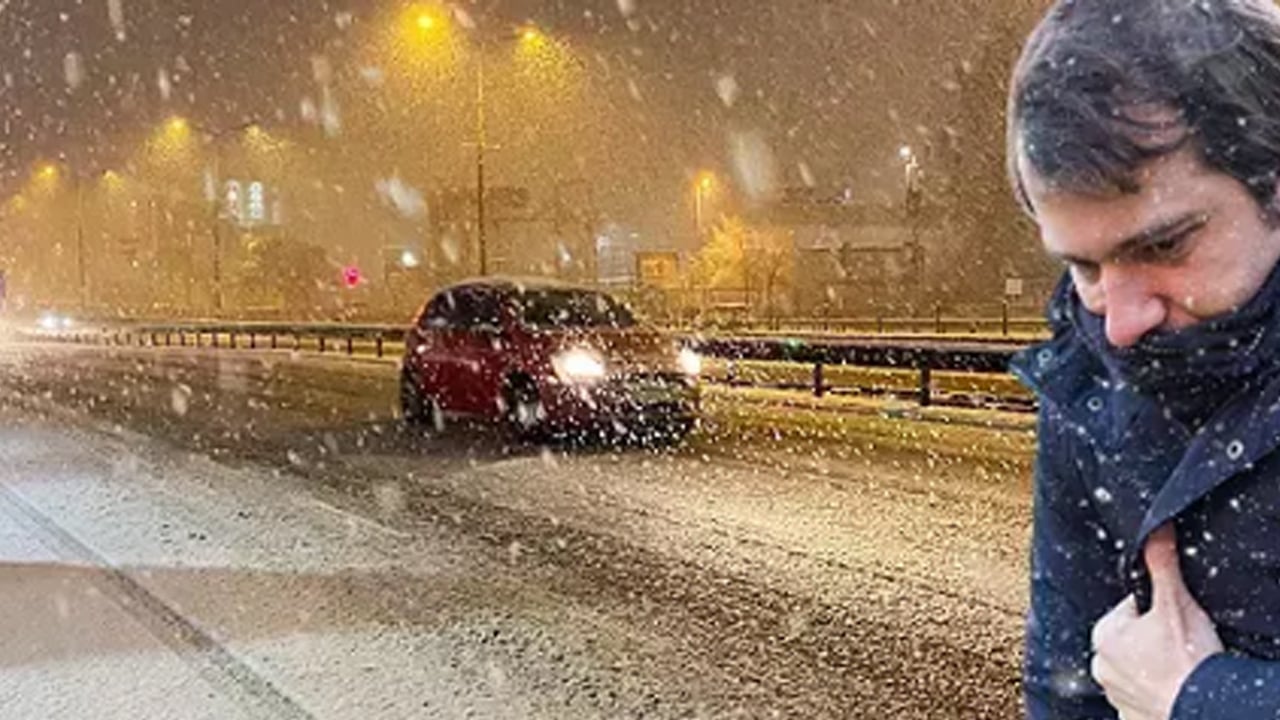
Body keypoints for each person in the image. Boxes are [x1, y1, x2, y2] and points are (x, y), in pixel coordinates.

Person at [1007, 1, 1280, 718]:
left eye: (1163, 246)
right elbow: (1063, 690)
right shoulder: (1086, 374)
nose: (1121, 324)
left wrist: (1200, 701)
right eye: (1085, 266)